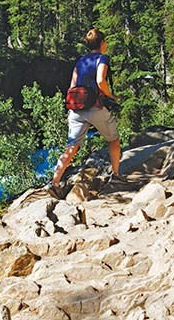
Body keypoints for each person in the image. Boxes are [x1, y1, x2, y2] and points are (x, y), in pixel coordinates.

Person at [47, 28, 128, 200]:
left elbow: (72, 86)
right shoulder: (102, 58)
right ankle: (116, 175)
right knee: (113, 139)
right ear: (102, 43)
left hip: (77, 107)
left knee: (72, 146)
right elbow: (100, 80)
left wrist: (71, 107)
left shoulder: (80, 61)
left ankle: (54, 183)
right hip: (95, 107)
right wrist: (110, 95)